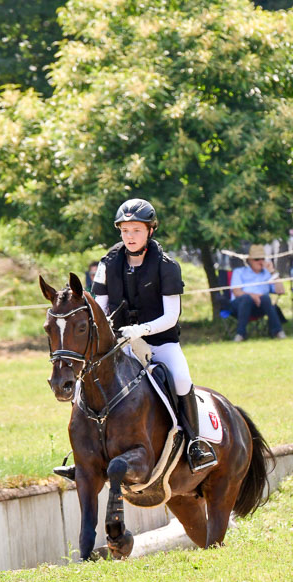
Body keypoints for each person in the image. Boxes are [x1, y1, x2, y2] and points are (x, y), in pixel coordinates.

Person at [89, 198, 217, 473]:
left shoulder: (167, 265)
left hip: (160, 341)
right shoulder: (108, 262)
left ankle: (195, 444)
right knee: (90, 381)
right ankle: (85, 448)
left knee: (182, 380)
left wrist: (142, 330)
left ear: (150, 230)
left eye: (136, 230)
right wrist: (111, 333)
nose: (129, 236)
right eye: (124, 230)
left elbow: (171, 316)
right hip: (121, 344)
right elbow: (99, 307)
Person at [228, 244, 286, 342]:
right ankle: (240, 334)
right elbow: (237, 292)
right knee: (246, 299)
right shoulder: (239, 272)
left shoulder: (268, 274)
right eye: (257, 259)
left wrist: (272, 272)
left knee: (266, 298)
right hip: (240, 305)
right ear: (249, 260)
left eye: (262, 259)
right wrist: (253, 296)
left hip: (261, 305)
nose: (260, 262)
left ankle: (278, 332)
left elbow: (281, 291)